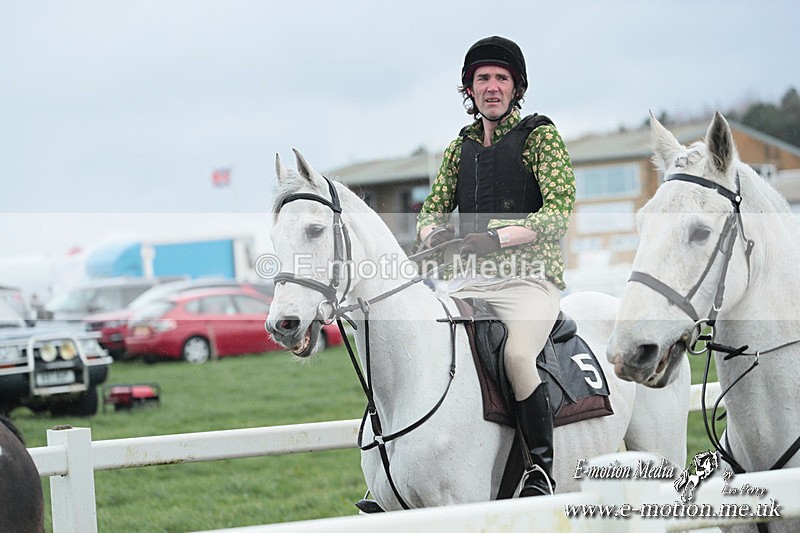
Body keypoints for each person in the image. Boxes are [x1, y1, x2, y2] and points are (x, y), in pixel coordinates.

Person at [416, 35, 575, 497]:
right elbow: (431, 209)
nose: (491, 86)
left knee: (518, 357)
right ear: (469, 89)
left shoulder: (541, 137)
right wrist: (434, 235)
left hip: (528, 280)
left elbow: (559, 211)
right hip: (468, 283)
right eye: (481, 78)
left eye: (500, 78)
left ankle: (540, 472)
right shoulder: (457, 147)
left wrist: (494, 238)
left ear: (516, 88)